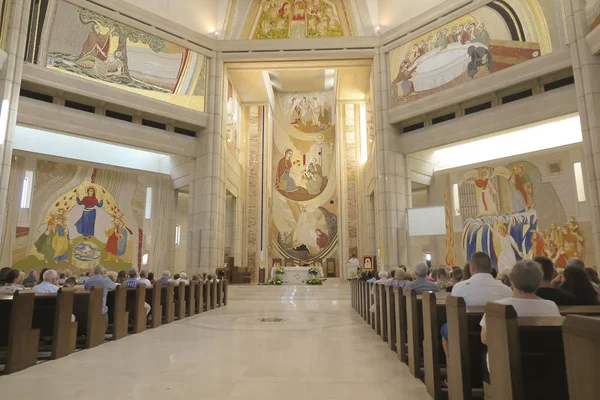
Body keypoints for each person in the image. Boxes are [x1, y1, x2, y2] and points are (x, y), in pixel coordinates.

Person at [480, 260, 561, 372]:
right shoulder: (551, 306)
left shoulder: (498, 307)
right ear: (539, 281)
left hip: (506, 366)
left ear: (512, 281)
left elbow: (485, 338)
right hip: (542, 365)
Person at [84, 265, 117, 330]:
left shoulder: (87, 281)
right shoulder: (106, 280)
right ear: (102, 272)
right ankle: (103, 330)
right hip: (101, 309)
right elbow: (114, 287)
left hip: (89, 307)